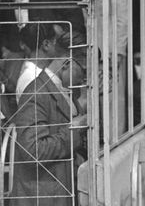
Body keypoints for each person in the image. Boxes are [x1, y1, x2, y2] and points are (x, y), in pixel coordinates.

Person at [10, 23, 87, 206]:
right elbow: (33, 152)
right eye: (83, 70)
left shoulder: (63, 90)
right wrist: (74, 131)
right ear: (67, 63)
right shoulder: (37, 92)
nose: (84, 78)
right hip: (43, 197)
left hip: (58, 191)